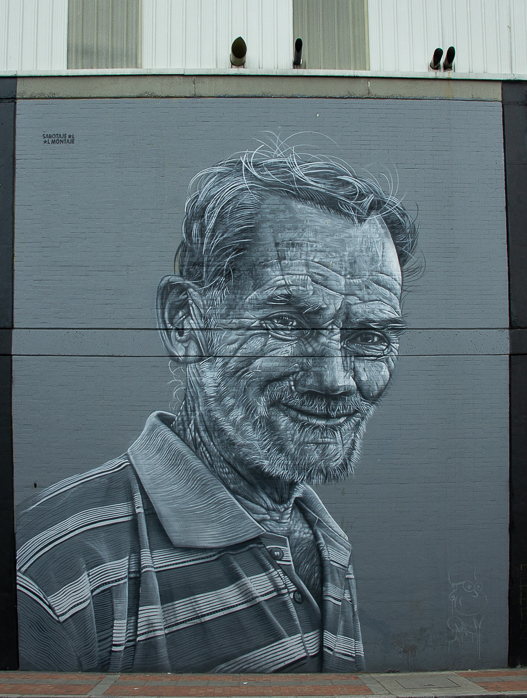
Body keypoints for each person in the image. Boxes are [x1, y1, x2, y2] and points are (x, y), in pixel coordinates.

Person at [16, 148, 418, 673]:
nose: (335, 379)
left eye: (369, 337)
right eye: (286, 324)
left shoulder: (323, 540)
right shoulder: (54, 574)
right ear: (187, 324)